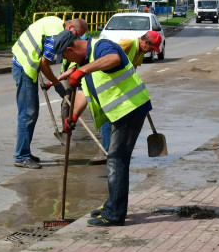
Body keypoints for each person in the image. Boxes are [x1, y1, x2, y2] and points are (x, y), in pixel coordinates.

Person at [58, 31, 152, 227]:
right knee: (116, 159)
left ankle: (114, 214)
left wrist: (82, 71)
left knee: (117, 160)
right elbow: (84, 92)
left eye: (65, 57)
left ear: (71, 49)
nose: (66, 62)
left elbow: (114, 58)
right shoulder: (86, 61)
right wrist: (73, 116)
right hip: (121, 112)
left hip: (131, 108)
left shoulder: (101, 47)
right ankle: (112, 205)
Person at [10, 16, 87, 168]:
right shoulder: (55, 36)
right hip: (25, 67)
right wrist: (57, 84)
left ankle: (24, 151)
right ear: (71, 29)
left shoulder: (55, 21)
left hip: (23, 60)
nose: (75, 39)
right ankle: (21, 156)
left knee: (32, 112)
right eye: (76, 35)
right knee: (28, 113)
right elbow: (44, 64)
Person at [94, 31, 162, 159]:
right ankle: (108, 152)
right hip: (106, 86)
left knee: (121, 119)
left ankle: (116, 150)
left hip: (119, 88)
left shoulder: (140, 52)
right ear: (146, 42)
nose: (150, 52)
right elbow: (105, 59)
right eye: (151, 48)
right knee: (107, 117)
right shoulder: (127, 44)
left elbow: (132, 71)